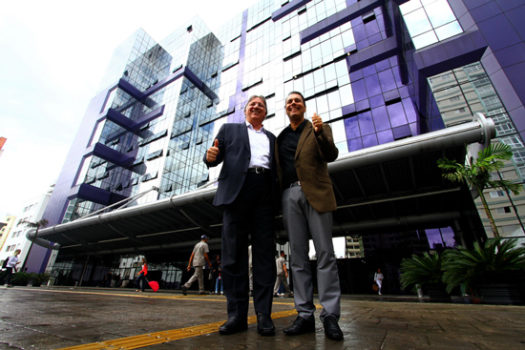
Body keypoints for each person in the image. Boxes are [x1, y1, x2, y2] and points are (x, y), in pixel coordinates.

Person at [204, 95, 277, 336]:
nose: (256, 106)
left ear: (265, 113)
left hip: (264, 194)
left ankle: (264, 315)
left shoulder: (272, 139)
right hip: (236, 194)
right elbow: (214, 156)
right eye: (252, 104)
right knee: (233, 257)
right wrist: (209, 157)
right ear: (246, 111)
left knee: (265, 257)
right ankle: (236, 315)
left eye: (261, 105)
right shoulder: (229, 130)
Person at [277, 91, 343, 341]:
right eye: (289, 102)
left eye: (297, 101)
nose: (293, 104)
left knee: (325, 253)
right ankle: (304, 314)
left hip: (316, 192)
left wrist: (319, 134)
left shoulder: (319, 127)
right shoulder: (280, 138)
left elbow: (331, 154)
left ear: (303, 108)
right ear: (286, 109)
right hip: (289, 196)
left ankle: (330, 316)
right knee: (298, 257)